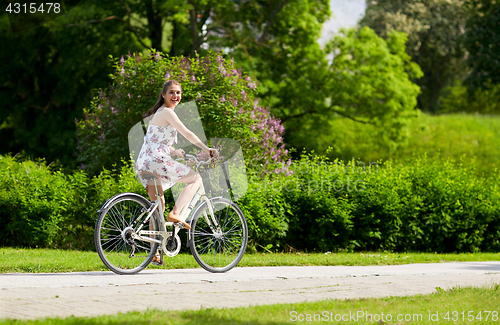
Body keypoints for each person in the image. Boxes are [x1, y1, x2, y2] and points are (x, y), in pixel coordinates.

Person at [135, 80, 217, 263]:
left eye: (179, 93)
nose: (176, 96)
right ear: (163, 95)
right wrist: (206, 149)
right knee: (195, 179)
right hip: (156, 161)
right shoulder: (167, 112)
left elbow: (154, 140)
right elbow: (187, 133)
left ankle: (154, 254)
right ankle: (176, 214)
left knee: (158, 206)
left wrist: (174, 151)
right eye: (172, 92)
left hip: (146, 162)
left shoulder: (159, 113)